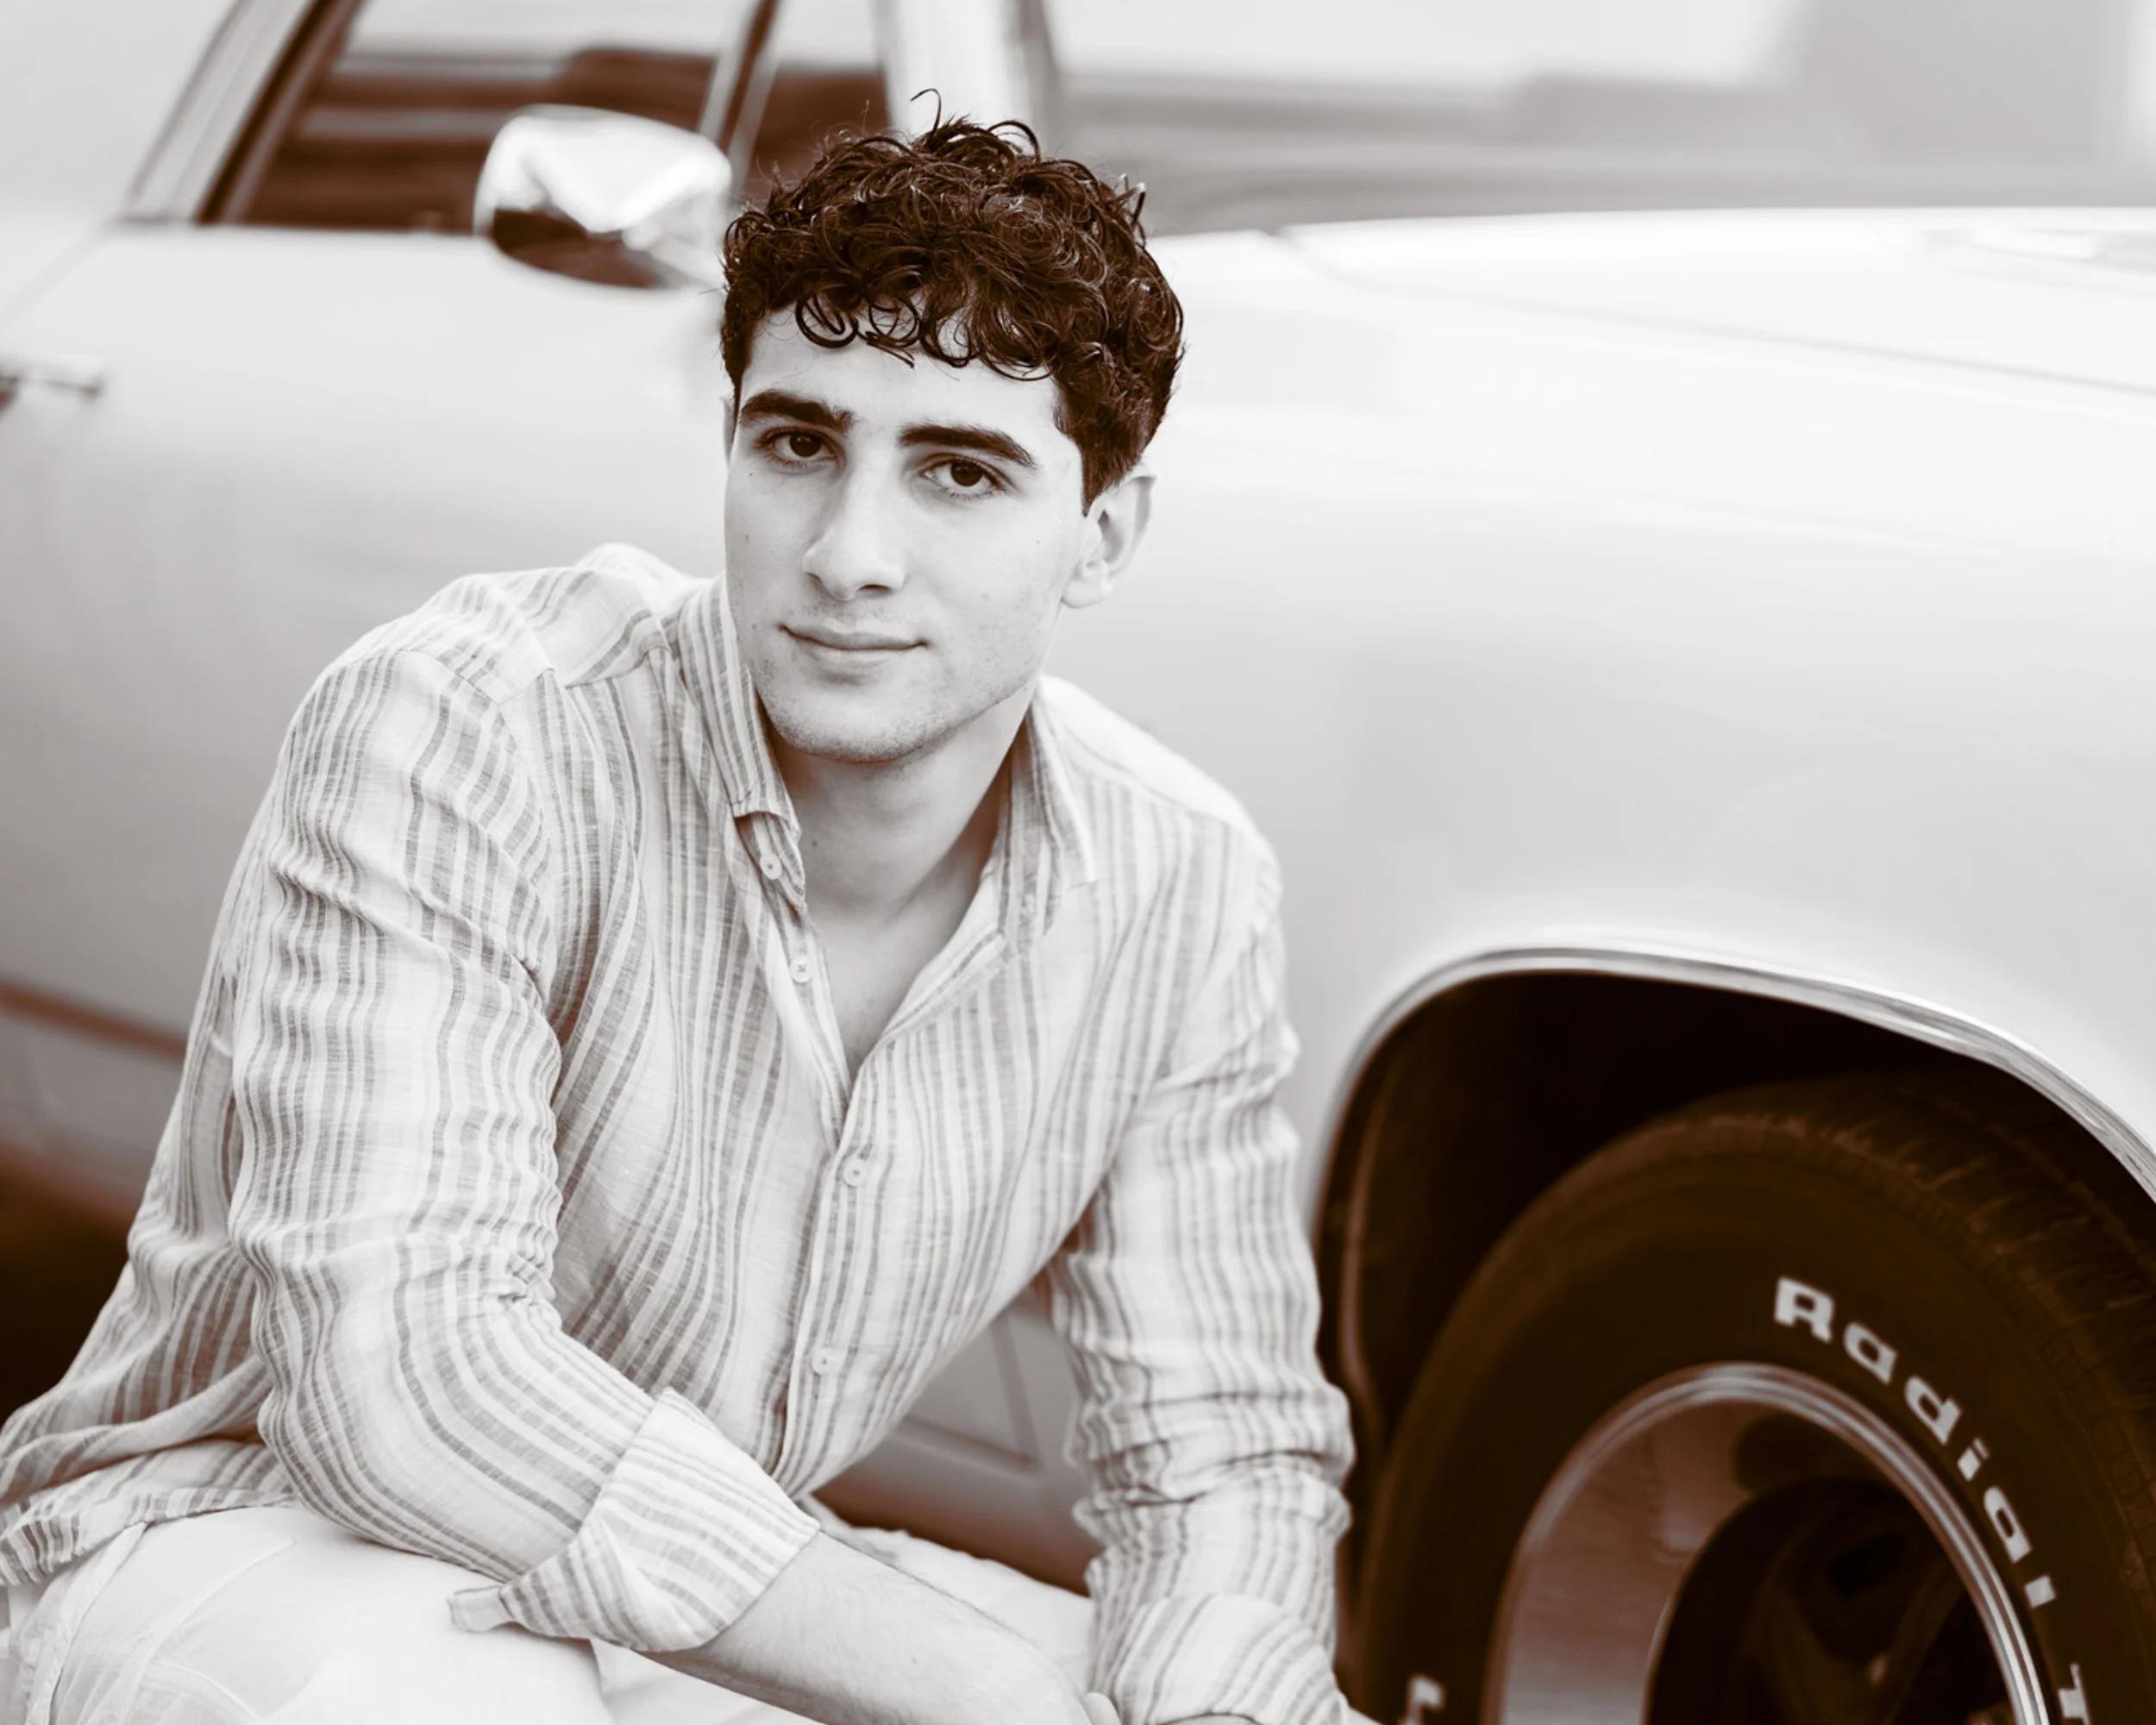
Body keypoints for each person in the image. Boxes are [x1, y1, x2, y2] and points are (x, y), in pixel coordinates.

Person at [0, 121, 1356, 1725]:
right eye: (798, 446)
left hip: (690, 1585)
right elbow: (402, 1380)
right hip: (242, 1550)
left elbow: (1220, 1461)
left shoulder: (1179, 881)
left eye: (960, 472)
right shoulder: (469, 724)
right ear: (730, 447)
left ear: (1104, 536)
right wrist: (980, 1687)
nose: (849, 556)